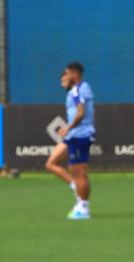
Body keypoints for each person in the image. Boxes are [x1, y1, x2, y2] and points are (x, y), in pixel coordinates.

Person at [46, 62, 95, 220]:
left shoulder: (77, 90)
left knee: (79, 173)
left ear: (74, 73)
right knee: (56, 165)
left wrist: (68, 127)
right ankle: (79, 197)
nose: (64, 76)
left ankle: (83, 207)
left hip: (79, 134)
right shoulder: (80, 89)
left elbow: (81, 113)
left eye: (66, 73)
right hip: (75, 135)